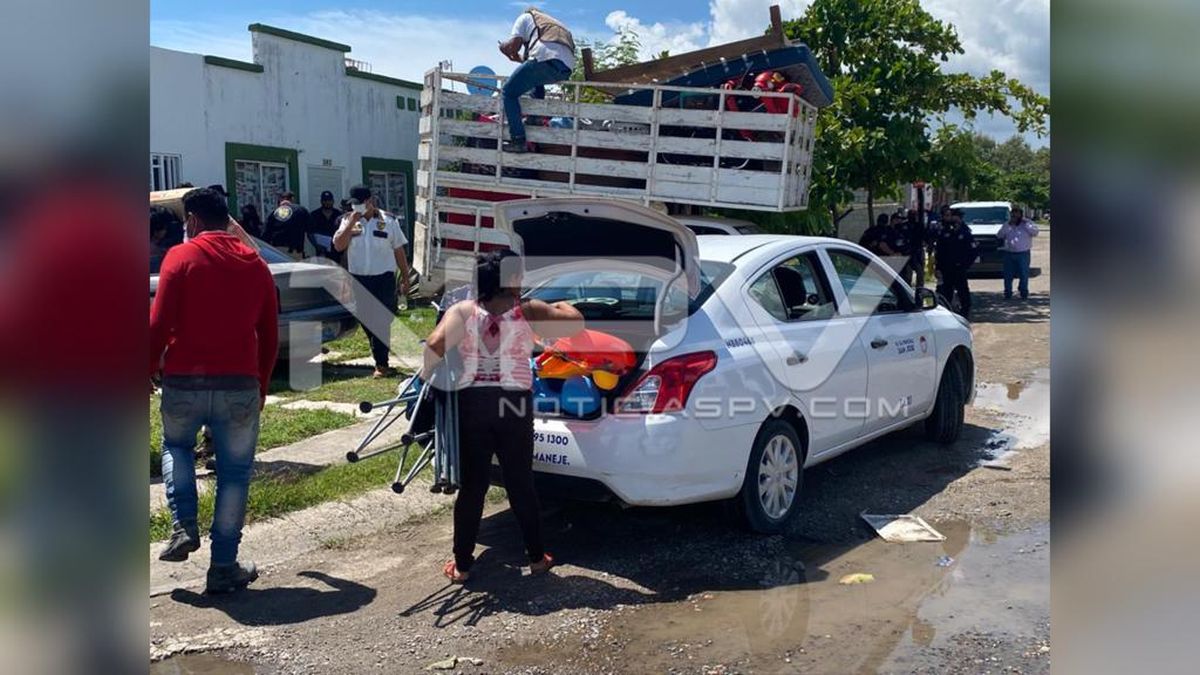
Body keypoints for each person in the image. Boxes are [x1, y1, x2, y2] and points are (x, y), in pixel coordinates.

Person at [423, 250, 584, 583]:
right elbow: (575, 323)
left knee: (473, 486)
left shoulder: (463, 311)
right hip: (514, 404)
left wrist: (435, 379)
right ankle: (537, 558)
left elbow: (435, 344)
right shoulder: (528, 310)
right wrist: (564, 303)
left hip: (473, 404)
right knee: (520, 482)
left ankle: (462, 566)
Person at [150, 187, 278, 594]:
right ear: (228, 219)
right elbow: (270, 335)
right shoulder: (256, 265)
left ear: (192, 220)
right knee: (234, 474)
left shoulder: (180, 257)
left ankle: (183, 525)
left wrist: (145, 368)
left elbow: (157, 324)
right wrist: (262, 384)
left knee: (177, 446)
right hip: (239, 383)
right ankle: (223, 566)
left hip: (184, 381)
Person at [333, 184, 412, 378]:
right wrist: (351, 224)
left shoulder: (388, 221)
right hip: (359, 279)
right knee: (367, 320)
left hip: (384, 279)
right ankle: (380, 357)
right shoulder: (347, 220)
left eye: (359, 203)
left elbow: (399, 250)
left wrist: (405, 277)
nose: (356, 207)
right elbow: (338, 246)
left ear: (369, 201)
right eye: (353, 204)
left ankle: (381, 364)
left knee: (382, 320)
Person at [498, 8, 575, 153]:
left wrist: (504, 48)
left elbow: (513, 46)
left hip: (544, 58)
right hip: (566, 68)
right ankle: (534, 118)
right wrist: (518, 58)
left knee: (508, 92)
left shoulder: (525, 17)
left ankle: (518, 139)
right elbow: (534, 64)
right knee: (536, 81)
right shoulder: (550, 23)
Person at [934, 209, 979, 320]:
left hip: (959, 268)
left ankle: (964, 312)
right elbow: (939, 252)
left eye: (954, 216)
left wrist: (965, 265)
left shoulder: (965, 232)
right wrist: (938, 268)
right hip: (946, 268)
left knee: (962, 291)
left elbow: (973, 251)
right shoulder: (944, 232)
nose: (952, 218)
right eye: (950, 216)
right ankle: (946, 313)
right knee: (945, 292)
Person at [996, 206, 1039, 300]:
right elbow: (999, 235)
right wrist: (1008, 225)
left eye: (1016, 215)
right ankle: (1008, 292)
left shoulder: (1027, 223)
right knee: (1008, 274)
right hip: (1009, 253)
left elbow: (1035, 232)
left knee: (1024, 273)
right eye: (1013, 215)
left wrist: (1026, 223)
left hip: (1023, 253)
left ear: (1020, 215)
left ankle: (1023, 292)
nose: (1014, 217)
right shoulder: (1007, 224)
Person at [263, 191, 311, 258]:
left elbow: (266, 234)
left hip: (278, 251)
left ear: (280, 200)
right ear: (292, 199)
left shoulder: (274, 213)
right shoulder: (301, 210)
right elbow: (310, 229)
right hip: (295, 250)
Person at [309, 190, 343, 263]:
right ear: (321, 201)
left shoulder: (339, 214)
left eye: (329, 200)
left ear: (333, 201)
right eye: (325, 200)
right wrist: (316, 245)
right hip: (321, 251)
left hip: (336, 250)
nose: (327, 202)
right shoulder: (314, 215)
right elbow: (310, 232)